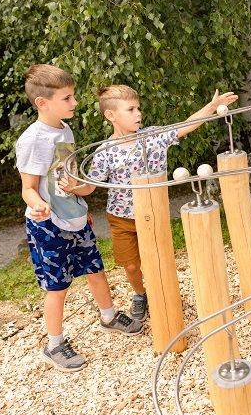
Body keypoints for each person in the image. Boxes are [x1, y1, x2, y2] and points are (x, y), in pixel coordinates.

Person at [15, 64, 142, 374]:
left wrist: (80, 209)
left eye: (72, 96)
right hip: (48, 225)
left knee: (95, 270)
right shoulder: (32, 139)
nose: (74, 103)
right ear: (42, 103)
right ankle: (54, 344)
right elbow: (28, 189)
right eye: (67, 98)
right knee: (57, 286)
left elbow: (66, 177)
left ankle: (108, 316)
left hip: (74, 219)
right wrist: (40, 206)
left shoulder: (64, 129)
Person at [79, 85, 237, 322]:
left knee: (159, 260)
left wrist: (212, 107)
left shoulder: (153, 136)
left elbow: (187, 124)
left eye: (138, 108)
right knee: (131, 266)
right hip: (121, 218)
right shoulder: (104, 152)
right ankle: (140, 294)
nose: (138, 113)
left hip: (153, 213)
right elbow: (90, 186)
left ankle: (165, 295)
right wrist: (72, 189)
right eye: (130, 109)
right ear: (111, 115)